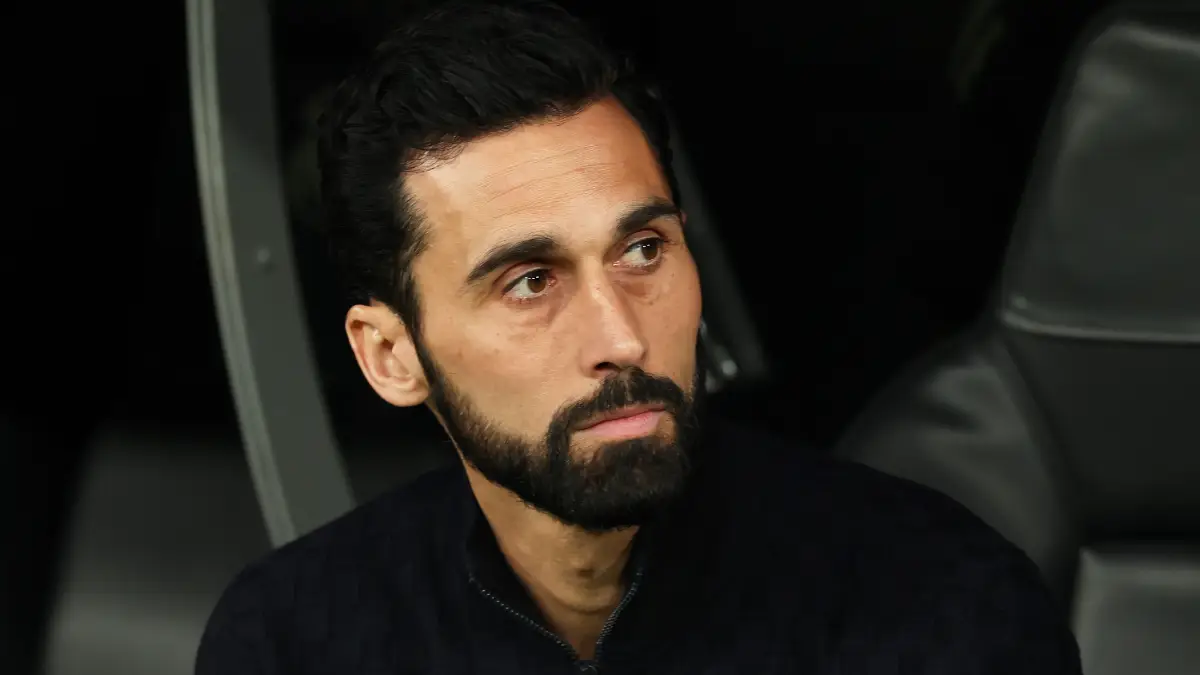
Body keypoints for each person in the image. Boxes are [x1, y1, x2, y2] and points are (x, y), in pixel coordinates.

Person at [196, 1, 1081, 672]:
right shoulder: (295, 638)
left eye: (643, 250)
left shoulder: (943, 610)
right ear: (391, 356)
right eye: (531, 281)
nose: (620, 336)